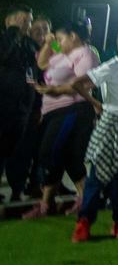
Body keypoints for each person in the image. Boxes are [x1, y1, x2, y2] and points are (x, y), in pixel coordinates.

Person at [42, 26, 118, 242]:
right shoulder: (112, 65)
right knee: (98, 176)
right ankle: (85, 223)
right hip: (112, 126)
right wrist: (95, 103)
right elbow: (77, 82)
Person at [23, 18, 99, 219]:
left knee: (50, 153)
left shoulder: (85, 53)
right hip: (51, 111)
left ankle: (83, 198)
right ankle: (49, 204)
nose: (57, 41)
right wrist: (49, 43)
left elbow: (83, 83)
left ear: (73, 36)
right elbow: (41, 63)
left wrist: (54, 90)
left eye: (59, 38)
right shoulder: (61, 51)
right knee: (60, 156)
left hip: (71, 109)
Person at [7, 13, 50, 201]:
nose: (41, 33)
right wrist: (34, 87)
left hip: (52, 103)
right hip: (33, 103)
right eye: (37, 29)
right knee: (25, 148)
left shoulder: (52, 46)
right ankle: (18, 187)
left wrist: (52, 42)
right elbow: (30, 74)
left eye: (45, 29)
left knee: (44, 149)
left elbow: (65, 55)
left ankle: (37, 183)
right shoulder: (28, 47)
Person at [1, 5, 37, 196]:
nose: (27, 24)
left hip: (23, 107)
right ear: (9, 21)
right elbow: (4, 55)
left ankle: (17, 190)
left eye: (29, 21)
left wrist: (53, 42)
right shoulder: (4, 40)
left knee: (17, 151)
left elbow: (35, 68)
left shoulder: (29, 44)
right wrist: (12, 32)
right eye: (23, 20)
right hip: (4, 104)